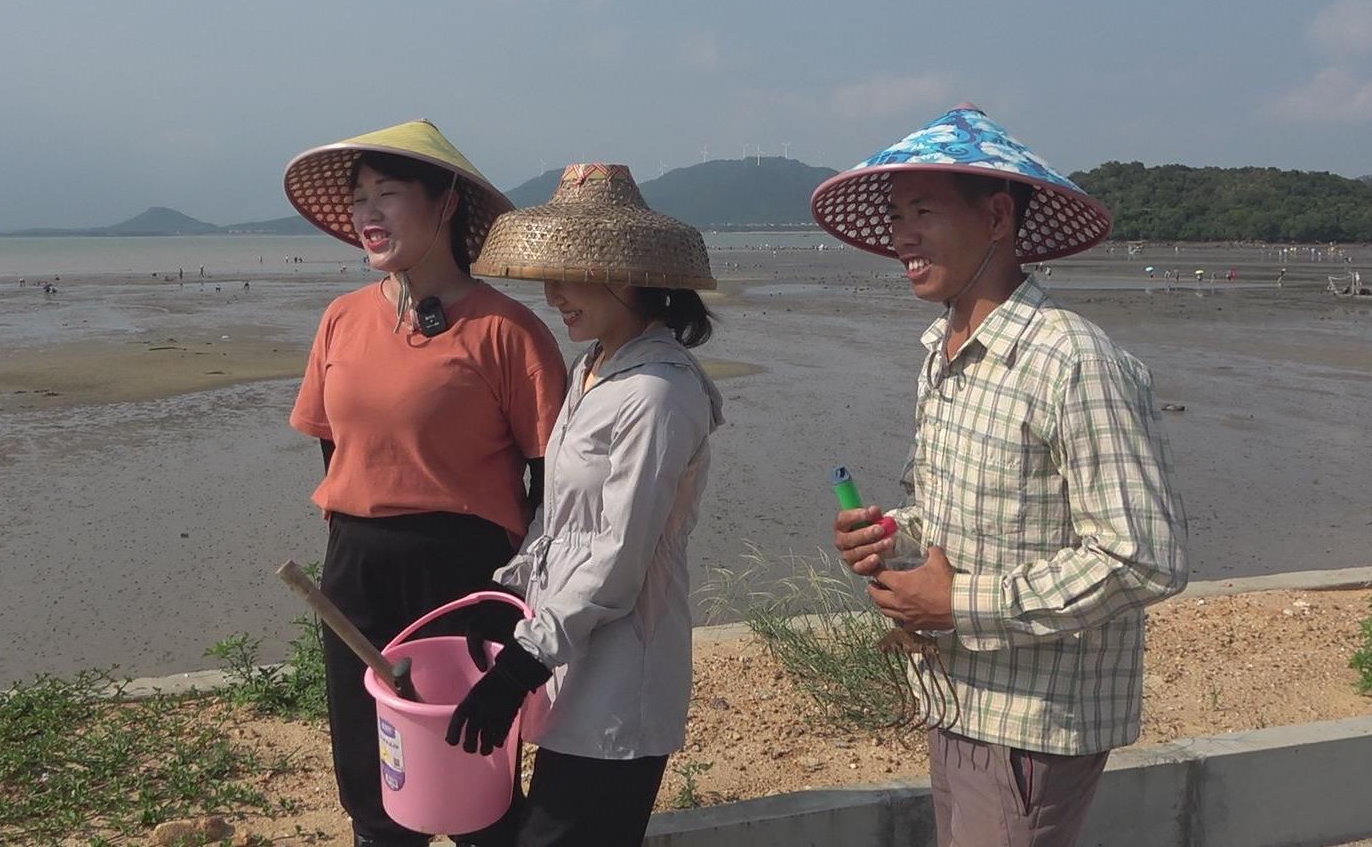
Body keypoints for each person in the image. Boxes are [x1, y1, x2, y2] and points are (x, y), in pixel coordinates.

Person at [810, 105, 1188, 847]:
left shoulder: (1071, 359)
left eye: (923, 212)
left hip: (1033, 717)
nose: (902, 237)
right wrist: (890, 531)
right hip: (955, 696)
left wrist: (957, 602)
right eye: (895, 216)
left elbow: (1144, 556)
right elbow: (957, 509)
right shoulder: (942, 352)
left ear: (996, 218)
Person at [283, 120, 568, 847]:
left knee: (474, 783)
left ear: (444, 205)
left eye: (388, 194)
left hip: (468, 574)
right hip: (357, 568)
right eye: (358, 199)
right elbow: (332, 447)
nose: (367, 214)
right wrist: (360, 540)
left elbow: (554, 487)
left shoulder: (508, 331)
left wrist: (522, 597)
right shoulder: (341, 320)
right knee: (374, 784)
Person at [449, 163, 725, 846]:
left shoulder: (658, 394)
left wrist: (522, 663)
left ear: (629, 274)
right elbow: (563, 519)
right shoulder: (594, 367)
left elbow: (618, 558)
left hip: (620, 674)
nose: (552, 293)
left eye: (570, 274)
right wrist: (509, 594)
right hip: (569, 656)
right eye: (550, 274)